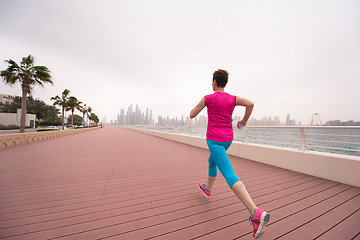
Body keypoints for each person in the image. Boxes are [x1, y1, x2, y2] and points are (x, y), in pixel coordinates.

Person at [190, 69, 270, 239]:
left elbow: (191, 115)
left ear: (214, 82)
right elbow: (250, 104)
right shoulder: (232, 99)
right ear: (224, 83)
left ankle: (255, 213)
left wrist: (200, 107)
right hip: (227, 140)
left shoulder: (208, 98)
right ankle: (208, 190)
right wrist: (243, 122)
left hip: (214, 140)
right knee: (212, 161)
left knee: (229, 173)